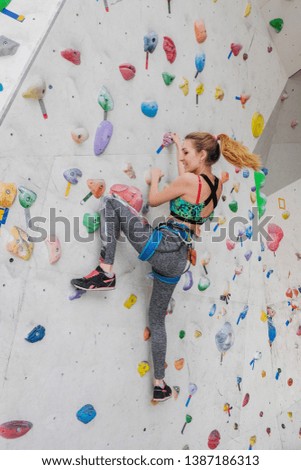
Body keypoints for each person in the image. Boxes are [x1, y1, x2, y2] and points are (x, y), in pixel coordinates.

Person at [71, 132, 261, 402]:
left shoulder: (188, 180)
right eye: (181, 152)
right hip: (179, 259)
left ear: (202, 155)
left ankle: (105, 271)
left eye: (186, 152)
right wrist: (176, 148)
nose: (182, 157)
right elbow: (191, 186)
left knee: (110, 203)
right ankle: (160, 383)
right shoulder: (215, 186)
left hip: (162, 245)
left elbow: (158, 199)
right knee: (157, 319)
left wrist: (157, 178)